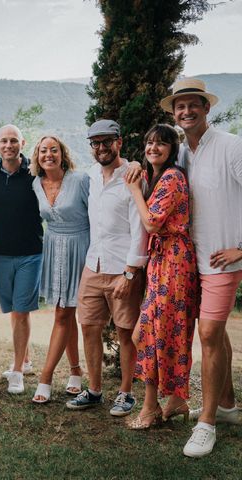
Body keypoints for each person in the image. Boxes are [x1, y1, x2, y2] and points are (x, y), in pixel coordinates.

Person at [159, 78, 242, 457]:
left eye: (193, 104)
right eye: (180, 106)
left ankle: (205, 424)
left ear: (206, 108)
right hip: (192, 262)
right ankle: (225, 407)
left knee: (208, 334)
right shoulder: (183, 156)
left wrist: (241, 249)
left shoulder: (231, 146)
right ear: (174, 113)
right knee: (215, 334)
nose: (186, 111)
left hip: (224, 261)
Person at [66, 119, 148, 416]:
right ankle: (95, 390)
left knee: (126, 332)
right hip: (93, 264)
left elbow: (141, 230)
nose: (101, 148)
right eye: (95, 143)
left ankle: (126, 394)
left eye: (107, 141)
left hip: (122, 267)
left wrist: (130, 273)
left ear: (119, 142)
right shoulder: (91, 176)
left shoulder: (133, 176)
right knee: (88, 326)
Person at [125, 124, 198, 428]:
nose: (154, 147)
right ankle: (175, 399)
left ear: (173, 149)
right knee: (152, 333)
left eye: (161, 143)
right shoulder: (158, 177)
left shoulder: (171, 177)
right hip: (163, 260)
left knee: (152, 334)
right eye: (149, 142)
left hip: (174, 263)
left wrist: (133, 192)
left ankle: (150, 408)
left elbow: (153, 221)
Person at [0, 124, 43, 394]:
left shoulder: (34, 171)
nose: (9, 145)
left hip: (31, 251)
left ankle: (16, 370)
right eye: (4, 141)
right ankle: (26, 359)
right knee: (13, 310)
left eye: (14, 141)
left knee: (21, 311)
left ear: (22, 142)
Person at [29, 135, 88, 403]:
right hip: (54, 248)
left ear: (62, 154)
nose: (48, 154)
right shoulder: (35, 184)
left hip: (81, 248)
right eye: (43, 151)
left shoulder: (80, 180)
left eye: (54, 150)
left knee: (63, 315)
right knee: (65, 312)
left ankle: (46, 377)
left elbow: (96, 216)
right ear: (37, 156)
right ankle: (76, 371)